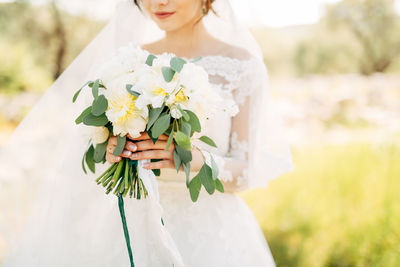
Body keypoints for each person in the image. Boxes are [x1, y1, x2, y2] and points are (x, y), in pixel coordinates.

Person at [0, 0, 293, 266]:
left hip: (212, 233)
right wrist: (111, 147)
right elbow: (93, 150)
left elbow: (243, 172)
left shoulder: (242, 66)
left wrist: (192, 158)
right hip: (134, 224)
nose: (157, 3)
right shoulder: (126, 64)